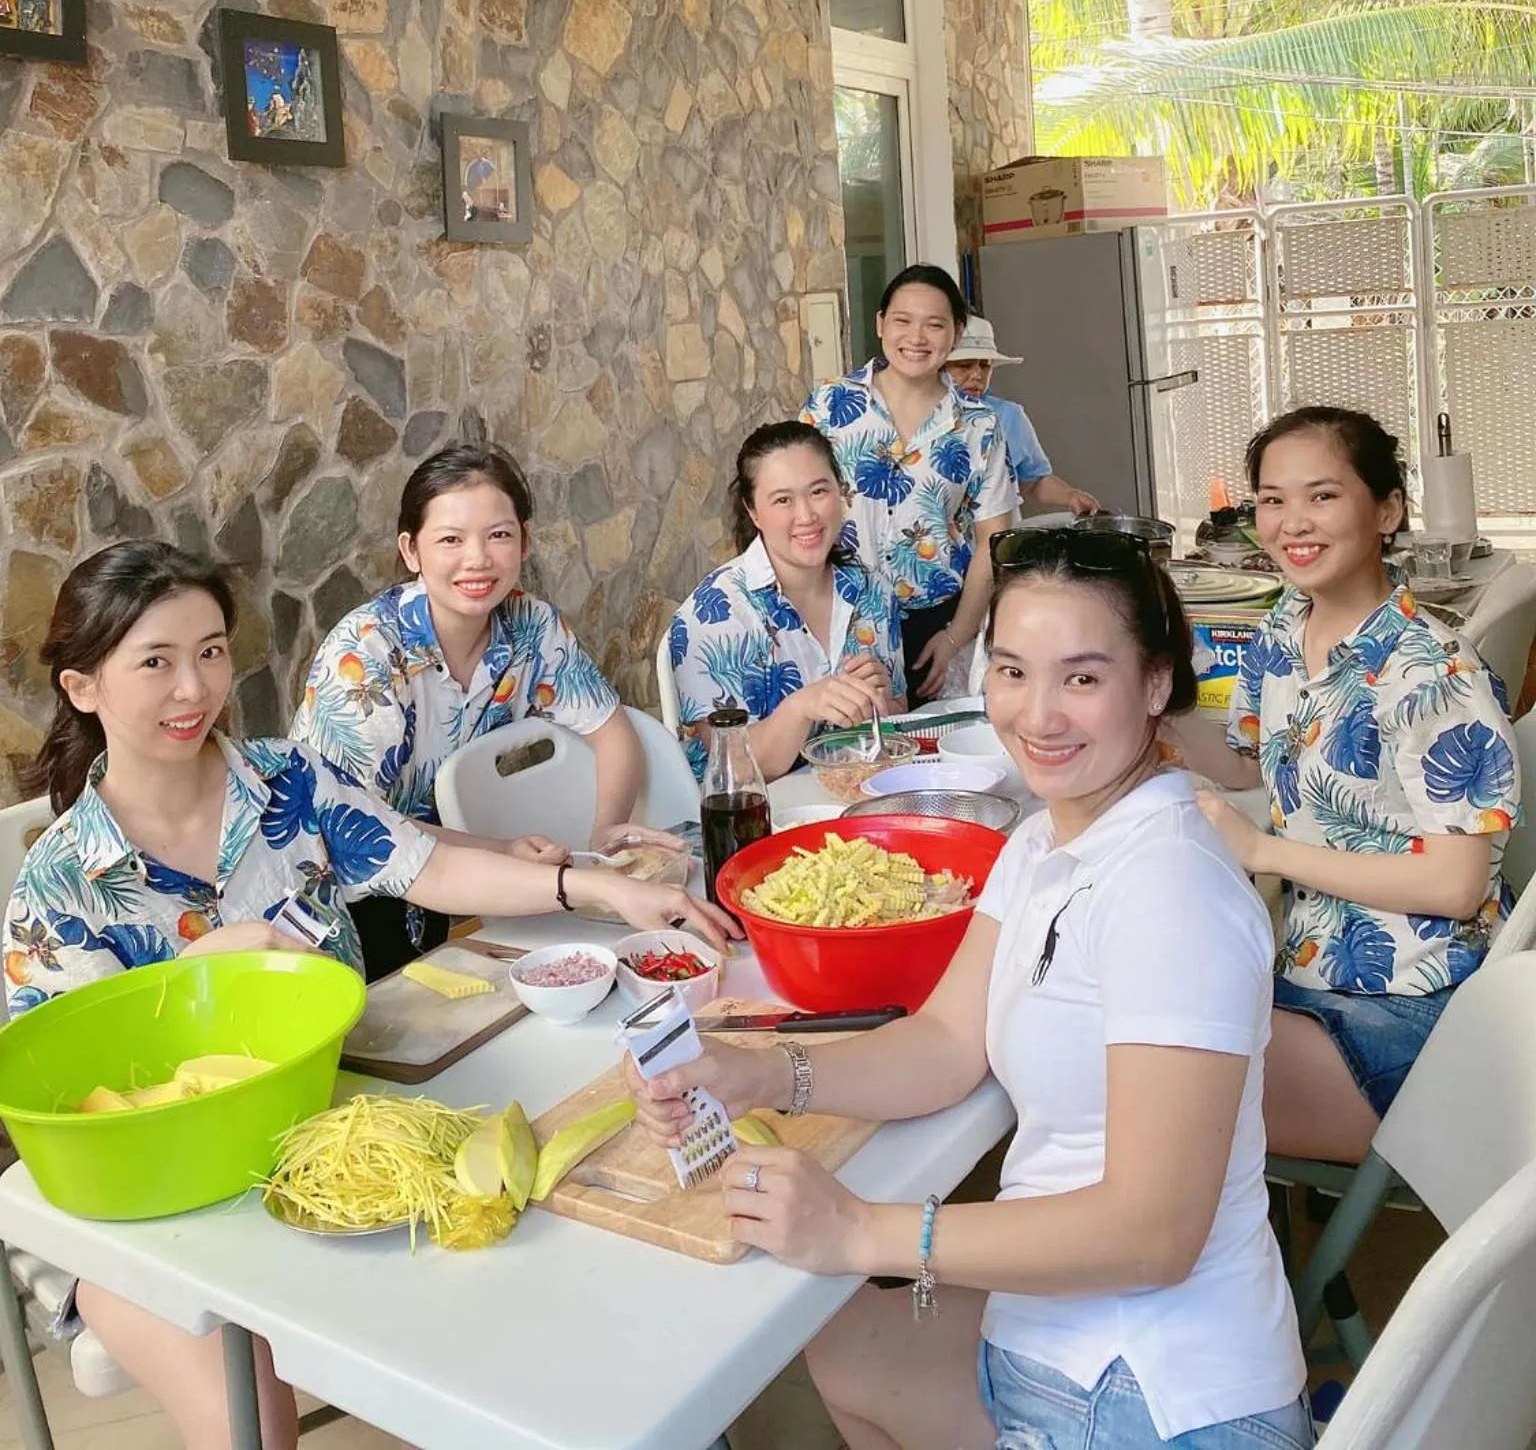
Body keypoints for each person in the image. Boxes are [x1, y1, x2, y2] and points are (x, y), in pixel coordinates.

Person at [5, 540, 736, 1450]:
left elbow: (429, 868)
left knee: (547, 1270)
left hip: (335, 1127)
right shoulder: (60, 882)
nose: (194, 689)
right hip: (152, 1202)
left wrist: (603, 890)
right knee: (252, 1427)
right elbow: (73, 1094)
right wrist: (204, 979)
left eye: (210, 651)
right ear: (84, 688)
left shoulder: (287, 782)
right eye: (154, 662)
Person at [629, 527, 1310, 1450]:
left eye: (1081, 677)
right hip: (1060, 1332)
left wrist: (868, 1232)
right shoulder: (1041, 842)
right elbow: (948, 1041)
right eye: (1012, 670)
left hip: (1150, 1396)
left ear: (1155, 685)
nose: (1038, 716)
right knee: (838, 1343)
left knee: (829, 1317)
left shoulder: (1171, 890)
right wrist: (754, 1071)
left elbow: (1154, 1233)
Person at [1191, 405, 1519, 1165]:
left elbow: (1455, 886)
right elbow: (1249, 761)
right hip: (1304, 967)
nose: (1291, 522)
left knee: (1150, 1091)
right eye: (1272, 499)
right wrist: (1141, 702)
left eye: (1322, 495)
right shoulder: (1283, 626)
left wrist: (1265, 853)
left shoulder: (1433, 674)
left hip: (1412, 1006)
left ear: (1387, 509)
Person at [292, 442, 660, 977]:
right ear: (412, 550)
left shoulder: (532, 625)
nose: (478, 559)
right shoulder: (366, 653)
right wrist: (501, 850)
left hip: (449, 882)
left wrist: (606, 838)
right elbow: (361, 826)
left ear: (525, 541)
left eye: (499, 535)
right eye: (450, 540)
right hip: (339, 904)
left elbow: (613, 731)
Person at [804, 264, 1017, 703]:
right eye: (903, 320)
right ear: (881, 323)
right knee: (851, 756)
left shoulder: (979, 425)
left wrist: (957, 636)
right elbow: (791, 503)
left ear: (955, 333)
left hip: (933, 629)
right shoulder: (830, 406)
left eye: (934, 324)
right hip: (839, 618)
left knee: (932, 757)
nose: (917, 337)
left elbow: (992, 540)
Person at [669, 422, 906, 781]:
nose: (807, 516)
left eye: (818, 491)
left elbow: (899, 716)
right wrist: (800, 708)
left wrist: (884, 700)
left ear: (840, 493)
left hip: (862, 800)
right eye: (783, 500)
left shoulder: (872, 590)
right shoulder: (714, 614)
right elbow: (732, 767)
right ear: (752, 512)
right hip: (759, 822)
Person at [947, 314, 1100, 515]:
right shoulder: (915, 416)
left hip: (999, 538)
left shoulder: (1009, 415)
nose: (977, 375)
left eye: (985, 365)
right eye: (964, 365)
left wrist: (1070, 495)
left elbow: (1033, 481)